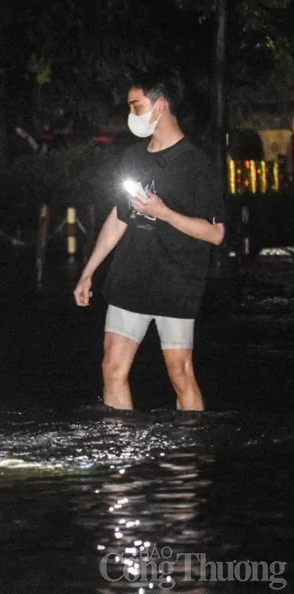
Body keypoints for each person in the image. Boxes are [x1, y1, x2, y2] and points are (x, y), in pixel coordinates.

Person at [73, 74, 226, 411]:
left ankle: (187, 460)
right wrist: (88, 272)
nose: (131, 114)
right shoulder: (133, 157)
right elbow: (119, 217)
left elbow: (216, 233)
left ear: (160, 105)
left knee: (180, 374)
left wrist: (164, 212)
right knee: (111, 369)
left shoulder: (197, 165)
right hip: (130, 277)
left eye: (136, 106)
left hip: (176, 282)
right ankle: (122, 457)